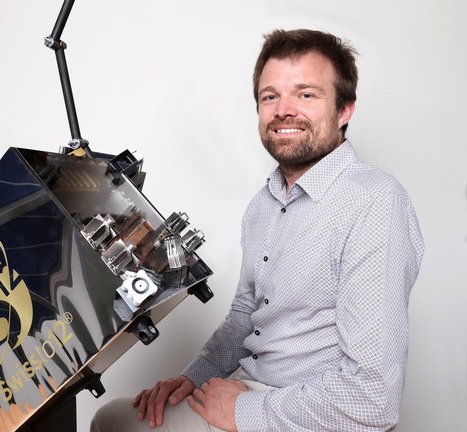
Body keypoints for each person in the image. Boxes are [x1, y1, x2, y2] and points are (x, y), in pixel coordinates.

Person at [90, 28, 424, 432]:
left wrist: (244, 412)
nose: (284, 110)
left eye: (306, 94)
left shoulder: (376, 202)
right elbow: (246, 316)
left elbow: (374, 398)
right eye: (271, 97)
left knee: (113, 424)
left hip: (305, 411)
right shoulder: (262, 206)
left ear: (344, 109)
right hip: (251, 390)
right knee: (113, 416)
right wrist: (190, 379)